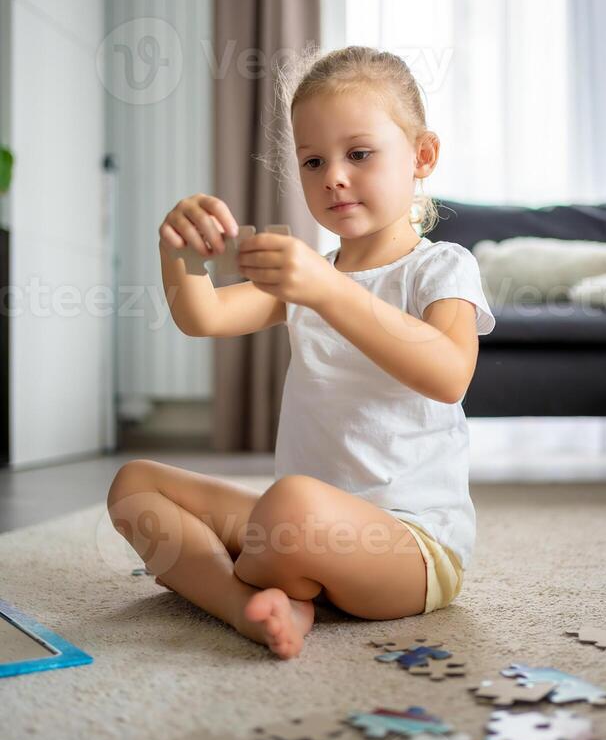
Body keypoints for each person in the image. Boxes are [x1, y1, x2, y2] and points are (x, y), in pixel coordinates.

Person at [107, 45, 495, 660]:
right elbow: (202, 316)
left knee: (289, 505)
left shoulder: (442, 268)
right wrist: (178, 250)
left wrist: (327, 289)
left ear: (422, 156)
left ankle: (237, 578)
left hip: (409, 547)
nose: (333, 176)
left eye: (359, 154)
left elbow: (449, 375)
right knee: (135, 485)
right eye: (313, 161)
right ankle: (247, 608)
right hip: (296, 526)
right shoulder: (308, 274)